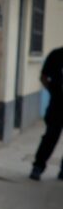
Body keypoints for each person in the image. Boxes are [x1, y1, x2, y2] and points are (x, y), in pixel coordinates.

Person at [30, 46, 63, 181]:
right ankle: (38, 167)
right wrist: (53, 92)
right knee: (50, 137)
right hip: (57, 106)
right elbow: (44, 77)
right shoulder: (56, 55)